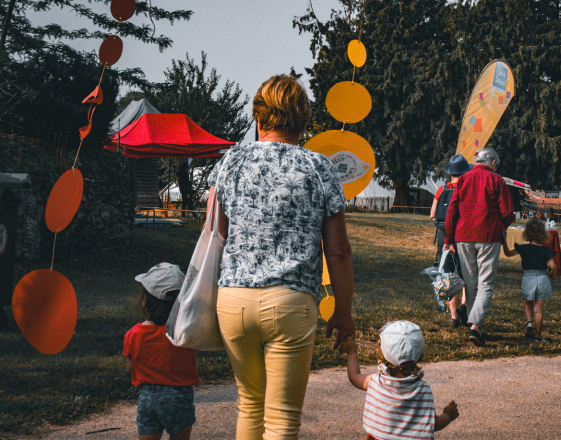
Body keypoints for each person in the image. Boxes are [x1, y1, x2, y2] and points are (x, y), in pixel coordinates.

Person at [209, 74, 355, 440]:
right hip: (291, 302)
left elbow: (213, 236)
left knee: (249, 404)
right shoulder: (319, 168)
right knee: (282, 419)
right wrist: (343, 312)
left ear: (258, 118)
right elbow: (338, 252)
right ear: (303, 121)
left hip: (233, 302)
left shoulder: (229, 163)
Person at [443, 148, 515, 347]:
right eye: (496, 164)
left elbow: (452, 210)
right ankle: (475, 325)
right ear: (491, 162)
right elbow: (507, 211)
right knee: (486, 284)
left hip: (463, 236)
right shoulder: (497, 180)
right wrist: (505, 224)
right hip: (488, 235)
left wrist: (448, 239)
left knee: (470, 282)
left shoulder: (464, 179)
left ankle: (473, 324)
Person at [339, 321, 459, 439]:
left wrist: (352, 352)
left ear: (382, 351)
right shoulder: (423, 390)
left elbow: (354, 376)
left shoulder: (376, 381)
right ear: (420, 354)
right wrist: (448, 415)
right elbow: (431, 424)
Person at [124, 263, 199, 440]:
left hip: (147, 397)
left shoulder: (133, 333)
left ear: (145, 299)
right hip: (178, 397)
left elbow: (130, 367)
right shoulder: (185, 331)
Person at [430, 154, 472, 328]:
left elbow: (433, 215)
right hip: (462, 235)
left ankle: (454, 316)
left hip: (443, 236)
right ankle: (464, 305)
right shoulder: (467, 189)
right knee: (467, 274)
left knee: (449, 275)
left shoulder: (441, 190)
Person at [501, 218, 556, 342]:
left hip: (528, 277)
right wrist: (553, 273)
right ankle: (537, 336)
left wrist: (504, 241)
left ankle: (529, 322)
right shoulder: (545, 250)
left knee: (528, 305)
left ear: (527, 233)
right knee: (539, 310)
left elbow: (508, 253)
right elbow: (552, 265)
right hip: (542, 278)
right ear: (543, 234)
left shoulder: (523, 248)